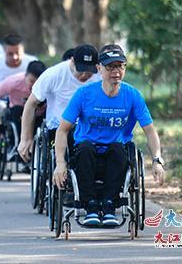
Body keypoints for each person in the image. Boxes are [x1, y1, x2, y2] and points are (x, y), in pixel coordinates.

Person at [52, 44, 165, 226]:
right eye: (110, 67)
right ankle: (90, 206)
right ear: (99, 69)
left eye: (119, 66)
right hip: (86, 150)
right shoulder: (84, 94)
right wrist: (60, 163)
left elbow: (150, 130)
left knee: (119, 149)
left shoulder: (132, 95)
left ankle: (110, 205)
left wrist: (157, 160)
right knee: (85, 147)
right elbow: (62, 129)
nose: (115, 71)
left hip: (116, 151)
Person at [18, 44, 101, 160]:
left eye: (89, 72)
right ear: (72, 61)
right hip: (58, 126)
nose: (84, 76)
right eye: (81, 70)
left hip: (89, 125)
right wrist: (25, 139)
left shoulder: (100, 76)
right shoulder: (54, 75)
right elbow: (31, 104)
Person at [0, 60, 47, 139]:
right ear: (25, 76)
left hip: (39, 115)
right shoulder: (13, 82)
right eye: (31, 81)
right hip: (18, 114)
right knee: (17, 111)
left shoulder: (48, 84)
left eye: (38, 83)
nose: (34, 86)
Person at [0, 34, 36, 98]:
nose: (14, 57)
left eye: (17, 53)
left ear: (23, 51)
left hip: (23, 101)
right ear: (4, 51)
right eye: (10, 54)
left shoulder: (32, 63)